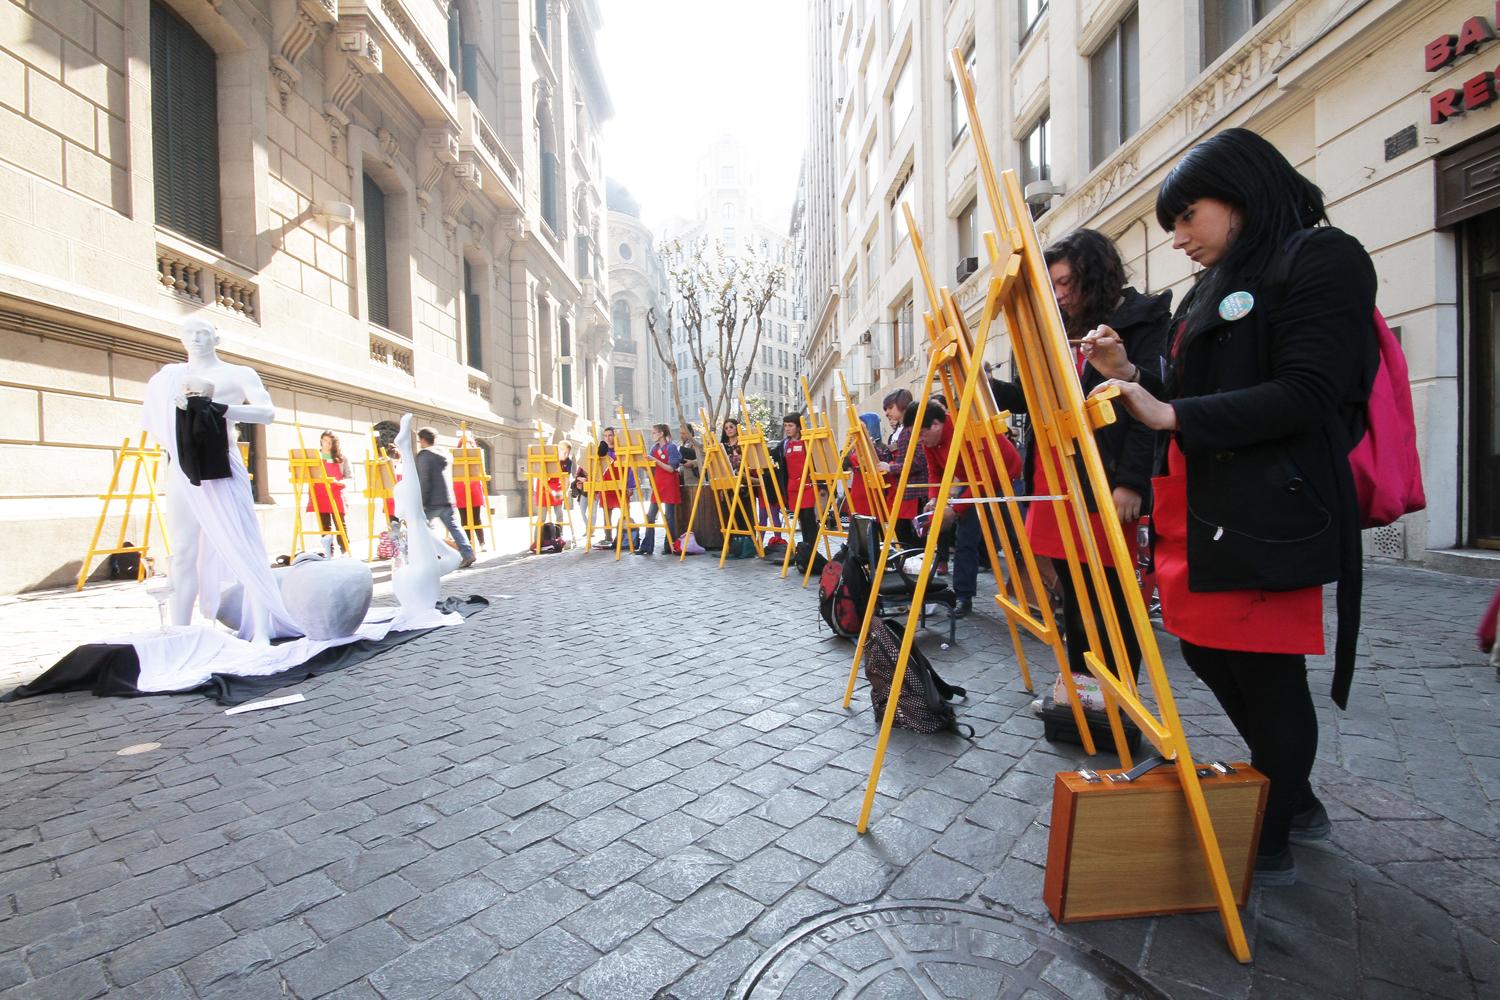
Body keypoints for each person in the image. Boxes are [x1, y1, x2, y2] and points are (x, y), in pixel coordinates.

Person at [1082, 127, 1378, 886]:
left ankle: (1270, 833)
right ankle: (1295, 798)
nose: (1178, 238)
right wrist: (1131, 372)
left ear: (1240, 195)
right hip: (1209, 507)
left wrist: (1171, 415)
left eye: (1187, 217)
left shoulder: (1320, 257)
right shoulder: (1214, 283)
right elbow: (1192, 392)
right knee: (1211, 653)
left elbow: (1309, 392)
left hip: (1274, 508)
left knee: (1267, 672)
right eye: (1172, 224)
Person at [992, 229, 1172, 691]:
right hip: (1061, 478)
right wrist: (984, 385)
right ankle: (1082, 687)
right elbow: (1046, 406)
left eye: (1068, 282)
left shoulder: (1139, 321)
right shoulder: (1060, 334)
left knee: (1109, 595)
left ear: (1097, 274)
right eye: (1053, 285)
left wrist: (1132, 481)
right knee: (1073, 593)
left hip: (1104, 479)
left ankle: (1115, 695)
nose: (1061, 294)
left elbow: (1143, 402)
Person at [909, 399, 1022, 617]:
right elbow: (936, 474)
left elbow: (984, 478)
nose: (920, 440)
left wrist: (954, 510)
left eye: (921, 434)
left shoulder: (965, 430)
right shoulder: (929, 441)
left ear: (935, 424)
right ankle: (963, 596)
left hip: (1004, 478)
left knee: (1017, 536)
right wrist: (934, 499)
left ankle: (1038, 595)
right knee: (965, 538)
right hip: (972, 482)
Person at [415, 427, 476, 568]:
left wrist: (422, 501)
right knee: (455, 528)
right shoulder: (445, 453)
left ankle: (430, 555)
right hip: (447, 498)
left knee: (421, 528)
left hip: (432, 500)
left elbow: (425, 479)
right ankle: (468, 553)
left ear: (423, 440)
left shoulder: (425, 455)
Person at [883, 389, 924, 550]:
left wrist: (891, 468)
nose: (887, 413)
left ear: (900, 405)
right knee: (905, 534)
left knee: (912, 537)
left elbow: (917, 462)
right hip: (906, 490)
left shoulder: (910, 430)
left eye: (890, 408)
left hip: (913, 491)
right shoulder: (904, 430)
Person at [772, 413, 819, 548]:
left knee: (808, 517)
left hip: (808, 485)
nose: (787, 428)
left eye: (790, 425)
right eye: (785, 425)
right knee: (801, 519)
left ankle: (811, 548)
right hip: (792, 487)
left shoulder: (807, 441)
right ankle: (806, 547)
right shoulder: (783, 445)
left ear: (798, 427)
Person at [307, 430, 354, 555]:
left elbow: (349, 477)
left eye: (330, 442)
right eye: (325, 441)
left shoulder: (342, 458)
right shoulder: (314, 456)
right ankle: (329, 551)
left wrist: (340, 482)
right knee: (324, 524)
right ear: (321, 441)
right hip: (319, 492)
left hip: (336, 493)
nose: (327, 444)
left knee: (340, 524)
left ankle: (345, 550)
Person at [638, 423, 682, 555]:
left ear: (662, 433)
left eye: (654, 432)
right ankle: (647, 546)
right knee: (650, 515)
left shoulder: (672, 447)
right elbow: (651, 469)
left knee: (669, 516)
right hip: (657, 485)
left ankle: (670, 546)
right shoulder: (654, 448)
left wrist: (655, 461)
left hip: (669, 484)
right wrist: (641, 464)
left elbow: (671, 468)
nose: (653, 435)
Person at [452, 430, 487, 549]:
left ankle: (482, 542)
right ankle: (469, 542)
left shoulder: (476, 454)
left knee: (476, 517)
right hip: (461, 487)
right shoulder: (456, 455)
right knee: (464, 519)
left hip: (473, 486)